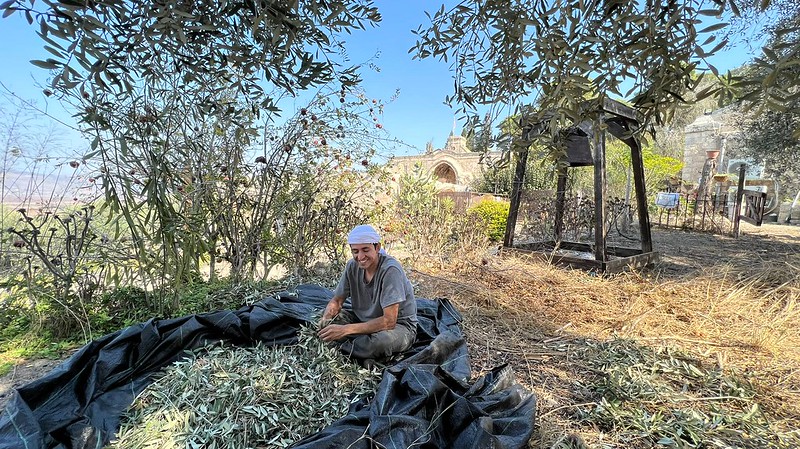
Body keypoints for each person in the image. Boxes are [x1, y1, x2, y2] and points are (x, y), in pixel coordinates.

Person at [318, 224, 417, 366]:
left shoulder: (390, 270)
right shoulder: (352, 266)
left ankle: (348, 349)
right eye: (355, 251)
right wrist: (326, 319)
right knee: (327, 322)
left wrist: (345, 330)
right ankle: (360, 352)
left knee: (378, 342)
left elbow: (389, 321)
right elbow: (337, 300)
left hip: (398, 327)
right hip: (362, 320)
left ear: (377, 247)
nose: (360, 257)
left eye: (365, 250)